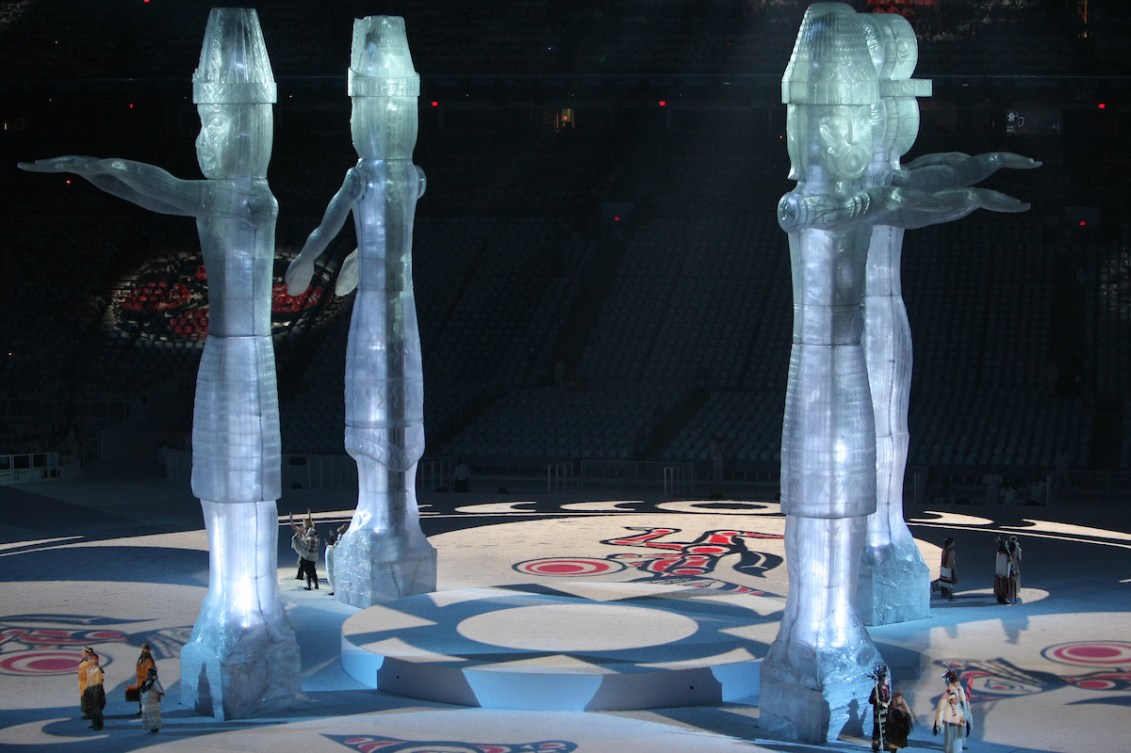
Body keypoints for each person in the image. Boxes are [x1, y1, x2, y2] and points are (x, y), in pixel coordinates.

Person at [933, 668, 972, 753]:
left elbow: (963, 700)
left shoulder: (959, 689)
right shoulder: (950, 692)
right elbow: (941, 706)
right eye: (957, 682)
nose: (958, 683)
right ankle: (950, 747)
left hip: (959, 715)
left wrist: (965, 709)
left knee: (960, 732)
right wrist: (939, 721)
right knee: (951, 736)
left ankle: (961, 743)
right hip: (951, 717)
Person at [867, 664, 891, 752]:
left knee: (886, 728)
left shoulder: (887, 688)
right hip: (878, 712)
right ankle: (876, 743)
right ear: (882, 680)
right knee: (877, 728)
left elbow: (888, 698)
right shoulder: (876, 689)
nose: (887, 680)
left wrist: (888, 703)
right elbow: (870, 701)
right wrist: (876, 700)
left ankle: (886, 743)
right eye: (886, 679)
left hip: (886, 712)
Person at [82, 652, 106, 731]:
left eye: (92, 659)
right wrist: (86, 690)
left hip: (96, 690)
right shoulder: (89, 669)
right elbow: (88, 680)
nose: (91, 661)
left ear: (96, 660)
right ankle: (94, 723)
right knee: (92, 709)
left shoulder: (98, 670)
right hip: (90, 690)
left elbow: (99, 682)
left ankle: (99, 725)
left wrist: (96, 694)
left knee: (97, 709)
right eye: (90, 659)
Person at [292, 523, 319, 590]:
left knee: (308, 573)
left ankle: (309, 586)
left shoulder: (307, 540)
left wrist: (297, 537)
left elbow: (301, 544)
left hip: (307, 558)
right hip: (314, 559)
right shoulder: (316, 540)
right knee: (314, 572)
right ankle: (316, 585)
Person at [139, 666, 165, 734]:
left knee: (154, 717)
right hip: (146, 704)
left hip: (153, 703)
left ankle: (155, 730)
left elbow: (161, 691)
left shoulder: (155, 682)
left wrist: (158, 697)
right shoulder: (146, 682)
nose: (148, 675)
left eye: (150, 673)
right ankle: (152, 729)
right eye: (148, 673)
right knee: (149, 717)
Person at [325, 522, 348, 596]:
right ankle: (336, 589)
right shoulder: (340, 536)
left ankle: (337, 590)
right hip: (339, 558)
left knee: (333, 576)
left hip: (339, 559)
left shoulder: (343, 537)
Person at [134, 643, 156, 715]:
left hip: (146, 680)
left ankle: (146, 710)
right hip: (141, 680)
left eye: (145, 649)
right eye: (143, 649)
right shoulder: (141, 659)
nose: (143, 651)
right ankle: (142, 710)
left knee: (146, 696)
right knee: (141, 696)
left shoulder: (149, 660)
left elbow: (151, 671)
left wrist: (148, 681)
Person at [77, 646, 95, 719]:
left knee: (88, 700)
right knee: (84, 700)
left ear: (88, 653)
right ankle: (88, 713)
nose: (82, 653)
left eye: (83, 652)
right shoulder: (84, 661)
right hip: (83, 683)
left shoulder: (90, 663)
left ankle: (91, 713)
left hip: (88, 684)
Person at [1007, 535, 1023, 604]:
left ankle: (1013, 592)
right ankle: (1010, 592)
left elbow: (1019, 559)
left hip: (1012, 566)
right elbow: (1019, 559)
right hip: (1010, 566)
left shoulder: (1016, 549)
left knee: (1013, 579)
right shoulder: (1009, 548)